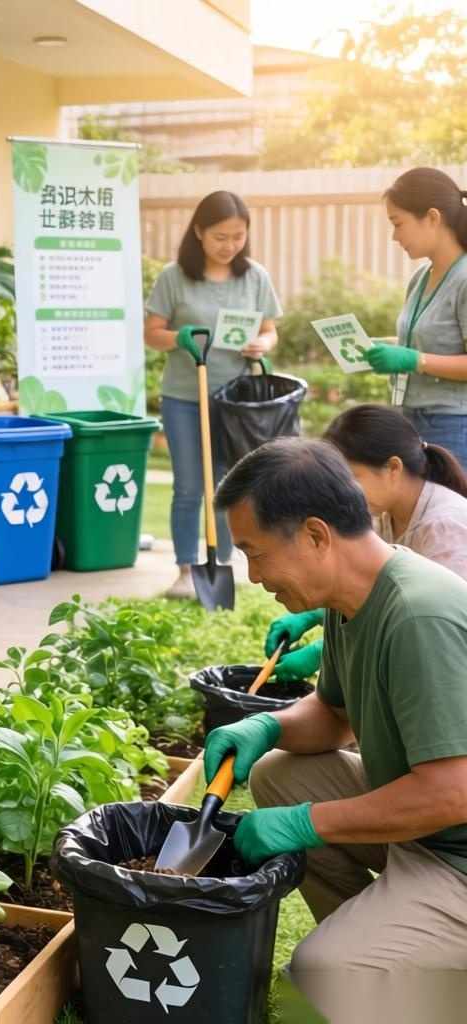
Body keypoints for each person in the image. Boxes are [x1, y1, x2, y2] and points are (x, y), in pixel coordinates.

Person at [206, 438, 467, 1023]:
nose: (252, 575)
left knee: (323, 975)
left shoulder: (420, 615)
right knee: (282, 775)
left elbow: (453, 793)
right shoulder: (351, 599)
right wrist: (267, 727)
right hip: (430, 835)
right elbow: (332, 716)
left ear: (317, 535)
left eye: (256, 552)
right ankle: (390, 941)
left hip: (457, 853)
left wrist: (306, 824)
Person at [144, 190, 283, 599]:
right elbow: (151, 334)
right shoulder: (174, 276)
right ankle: (187, 568)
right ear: (200, 231)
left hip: (236, 400)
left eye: (238, 236)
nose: (229, 245)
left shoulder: (255, 276)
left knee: (228, 484)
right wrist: (178, 338)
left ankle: (223, 562)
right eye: (221, 236)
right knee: (189, 484)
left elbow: (271, 330)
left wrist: (263, 343)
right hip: (185, 395)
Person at [263, 403, 467, 679]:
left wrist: (321, 652)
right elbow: (372, 590)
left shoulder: (444, 525)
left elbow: (442, 623)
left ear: (393, 468)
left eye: (351, 479)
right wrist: (317, 614)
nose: (341, 493)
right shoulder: (384, 515)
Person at [365, 167, 467, 466]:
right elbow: (428, 339)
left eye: (398, 223)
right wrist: (381, 348)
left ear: (433, 218)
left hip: (454, 426)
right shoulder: (422, 276)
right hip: (412, 421)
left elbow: (420, 355)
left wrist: (414, 360)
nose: (394, 236)